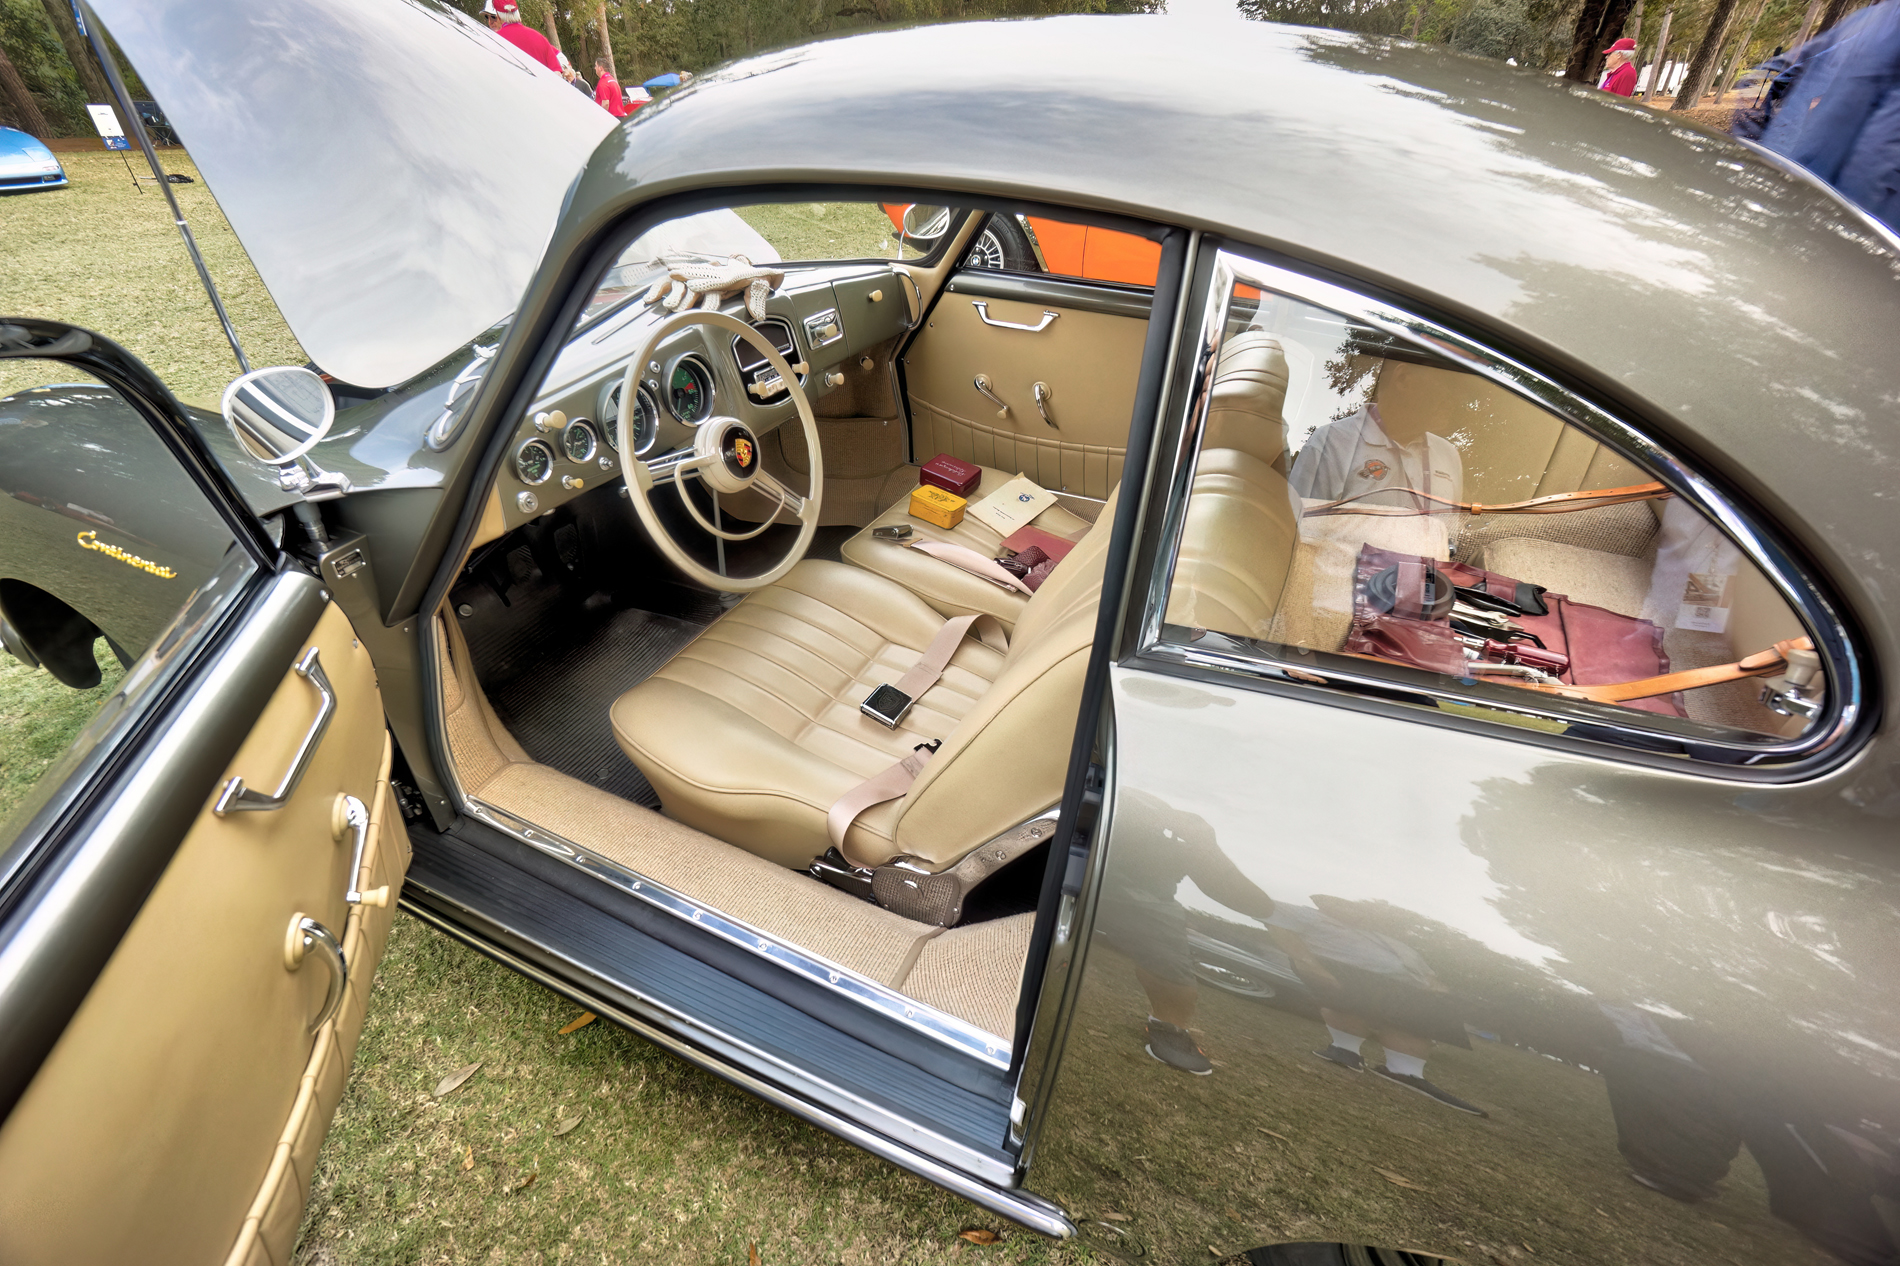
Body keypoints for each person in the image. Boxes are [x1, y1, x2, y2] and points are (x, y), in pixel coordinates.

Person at [1749, 0, 1900, 234]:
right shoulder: (1873, 25)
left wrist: (1767, 148)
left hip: (1806, 184)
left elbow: (1782, 75)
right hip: (1865, 218)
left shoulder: (1865, 26)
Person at [481, 0, 562, 74]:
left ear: (498, 16)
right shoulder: (540, 38)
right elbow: (557, 73)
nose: (490, 22)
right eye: (486, 17)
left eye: (493, 17)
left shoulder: (493, 41)